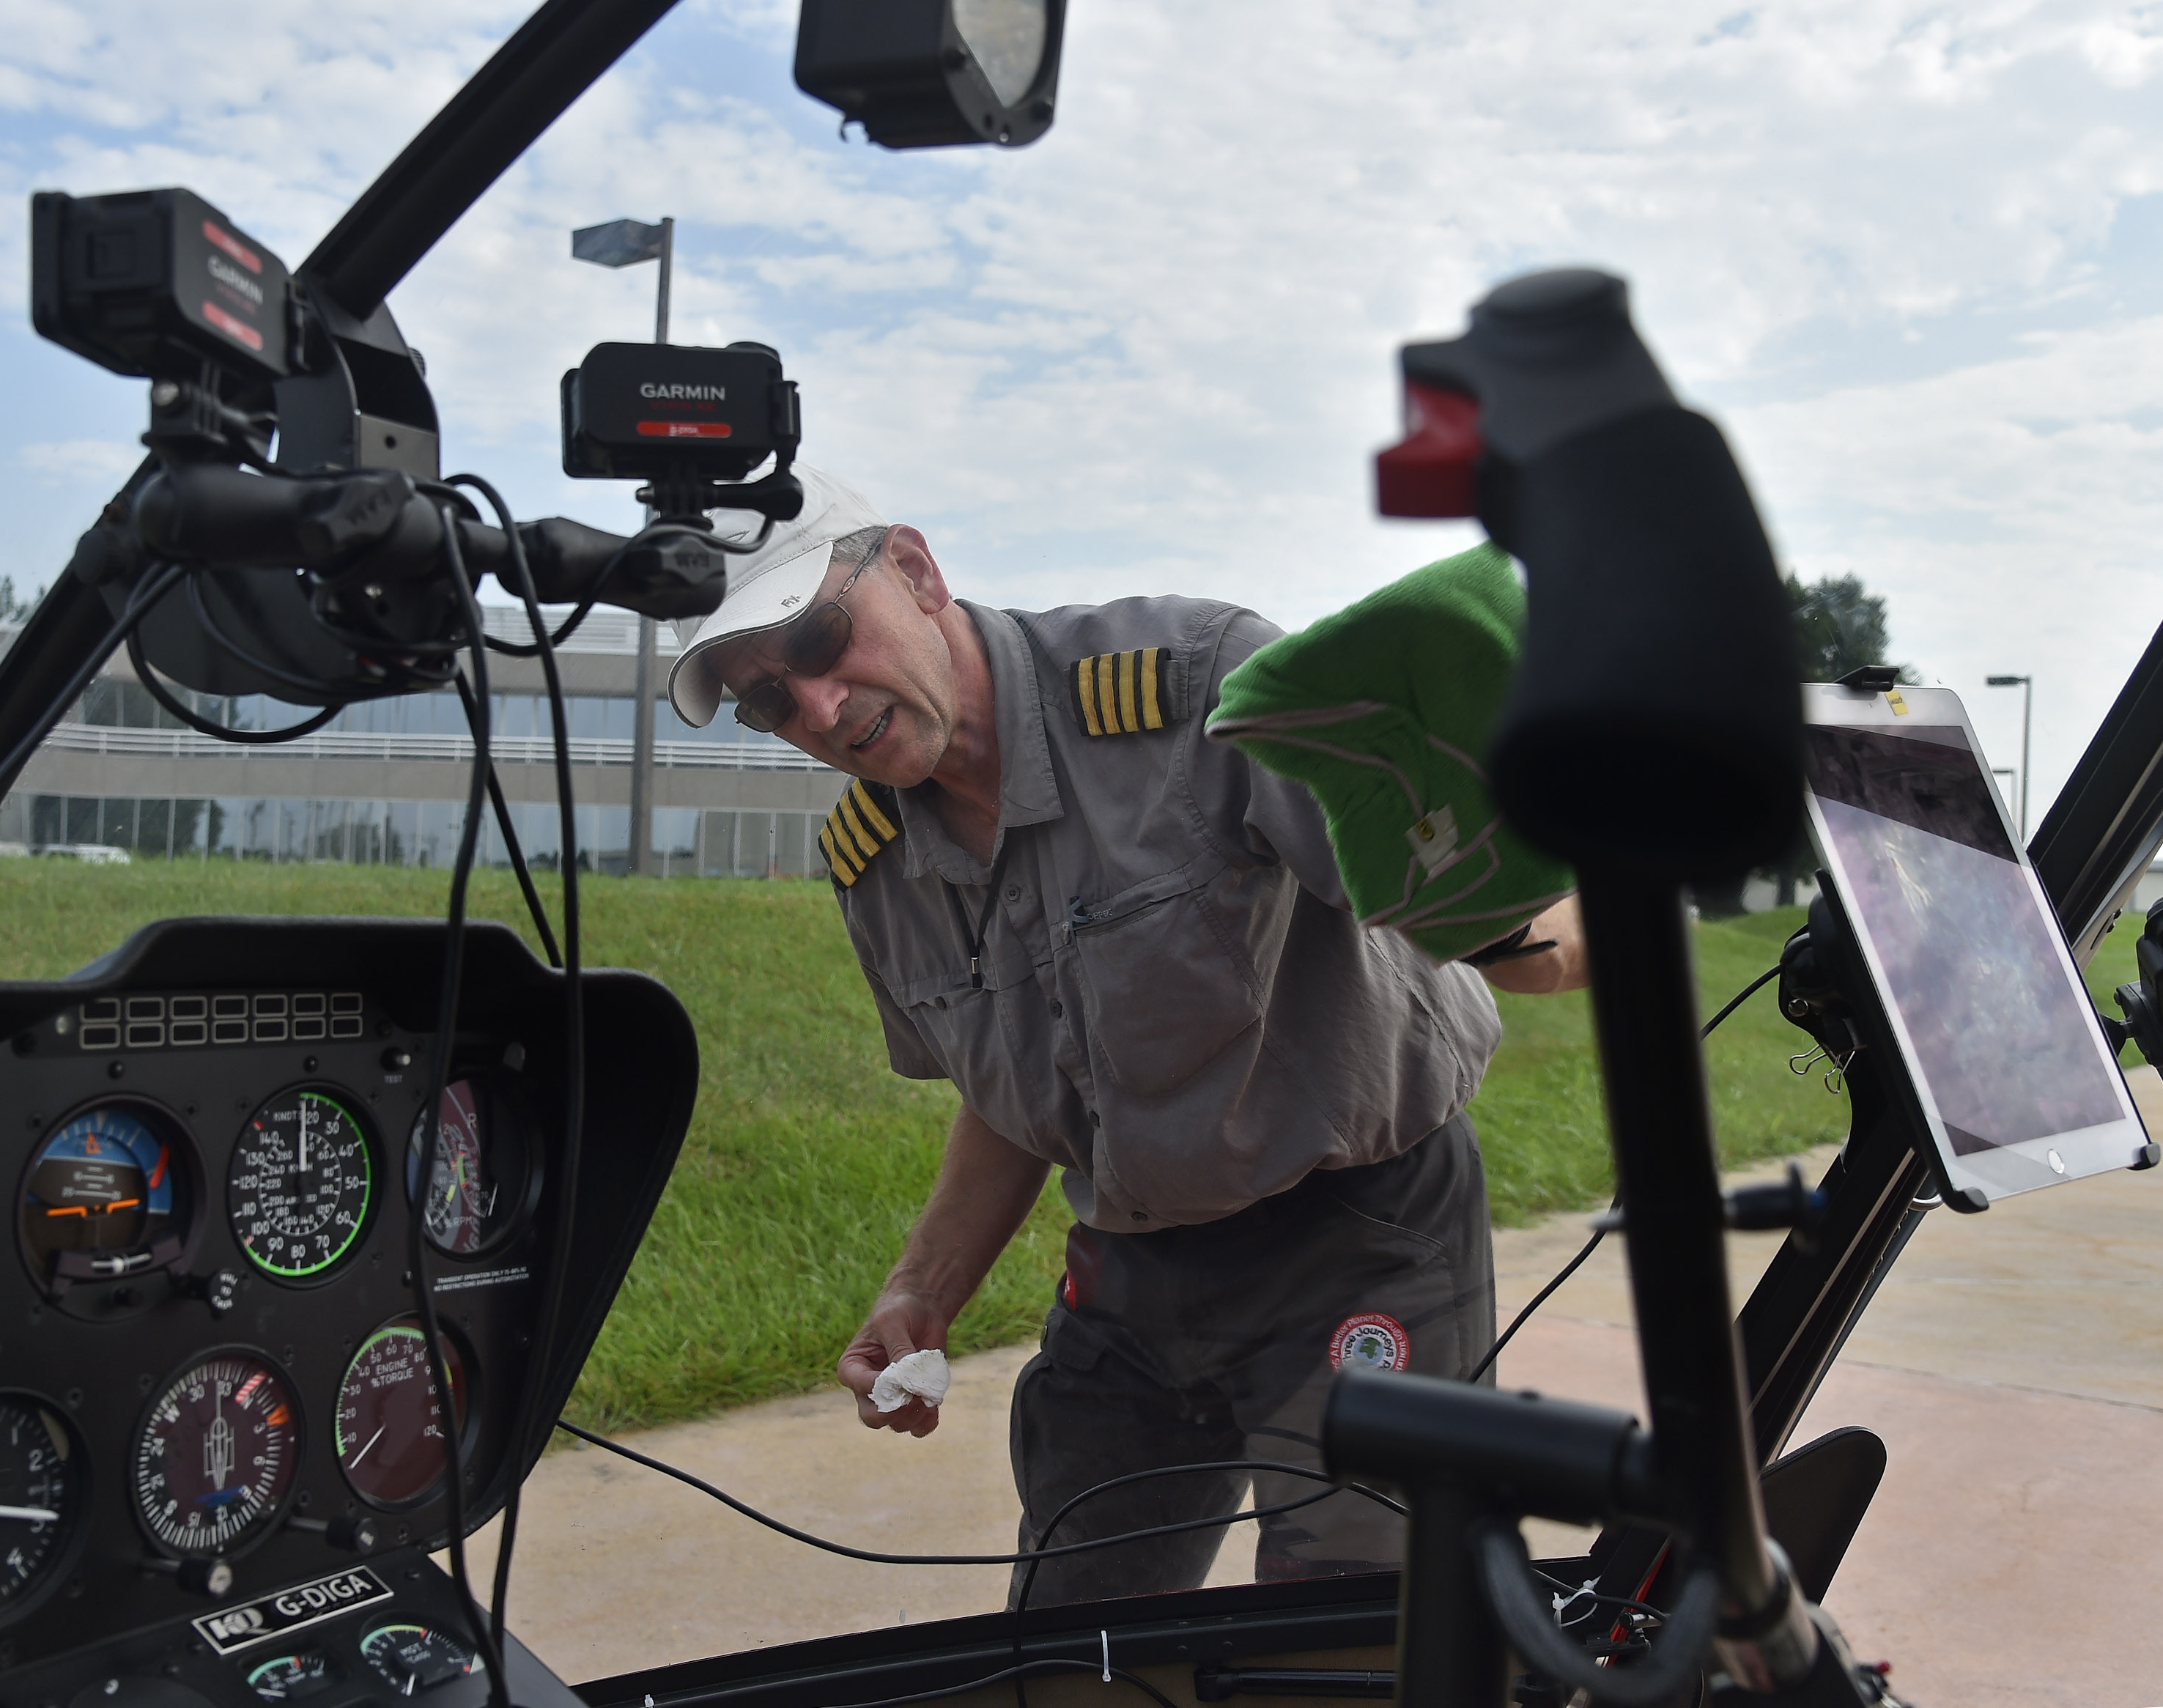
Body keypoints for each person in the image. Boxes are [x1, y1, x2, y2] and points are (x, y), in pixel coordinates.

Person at [665, 469, 1589, 1605]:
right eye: (765, 701)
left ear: (914, 570)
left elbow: (1513, 906)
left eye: (817, 636)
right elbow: (1023, 1076)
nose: (814, 708)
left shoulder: (1199, 688)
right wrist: (925, 1287)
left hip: (1360, 1230)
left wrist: (1557, 914)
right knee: (1073, 1634)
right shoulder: (877, 864)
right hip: (1135, 1262)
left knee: (1349, 1633)